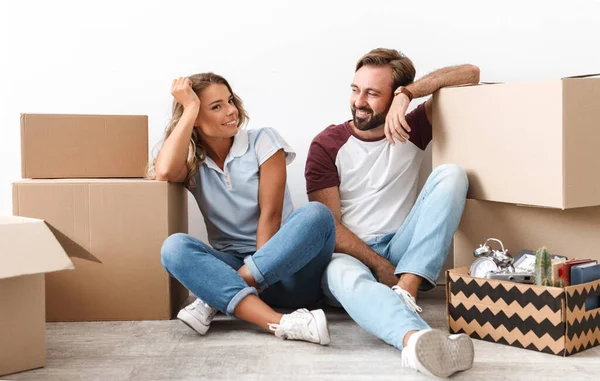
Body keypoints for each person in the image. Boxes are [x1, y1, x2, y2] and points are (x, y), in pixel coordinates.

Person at [304, 48, 480, 376]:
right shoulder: (327, 144)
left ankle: (407, 291)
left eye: (372, 93)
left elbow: (471, 74)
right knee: (343, 277)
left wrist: (409, 94)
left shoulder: (411, 128)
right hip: (348, 254)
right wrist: (380, 266)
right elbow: (330, 228)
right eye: (356, 89)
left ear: (393, 96)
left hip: (402, 251)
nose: (359, 101)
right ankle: (416, 340)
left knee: (452, 175)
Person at [150, 73, 335, 345]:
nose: (231, 111)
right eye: (216, 106)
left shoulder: (263, 140)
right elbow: (164, 171)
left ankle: (217, 298)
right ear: (195, 120)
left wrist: (251, 279)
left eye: (230, 101)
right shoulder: (193, 162)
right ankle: (281, 323)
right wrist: (189, 107)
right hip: (233, 266)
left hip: (288, 270)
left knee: (316, 215)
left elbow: (270, 216)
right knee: (173, 247)